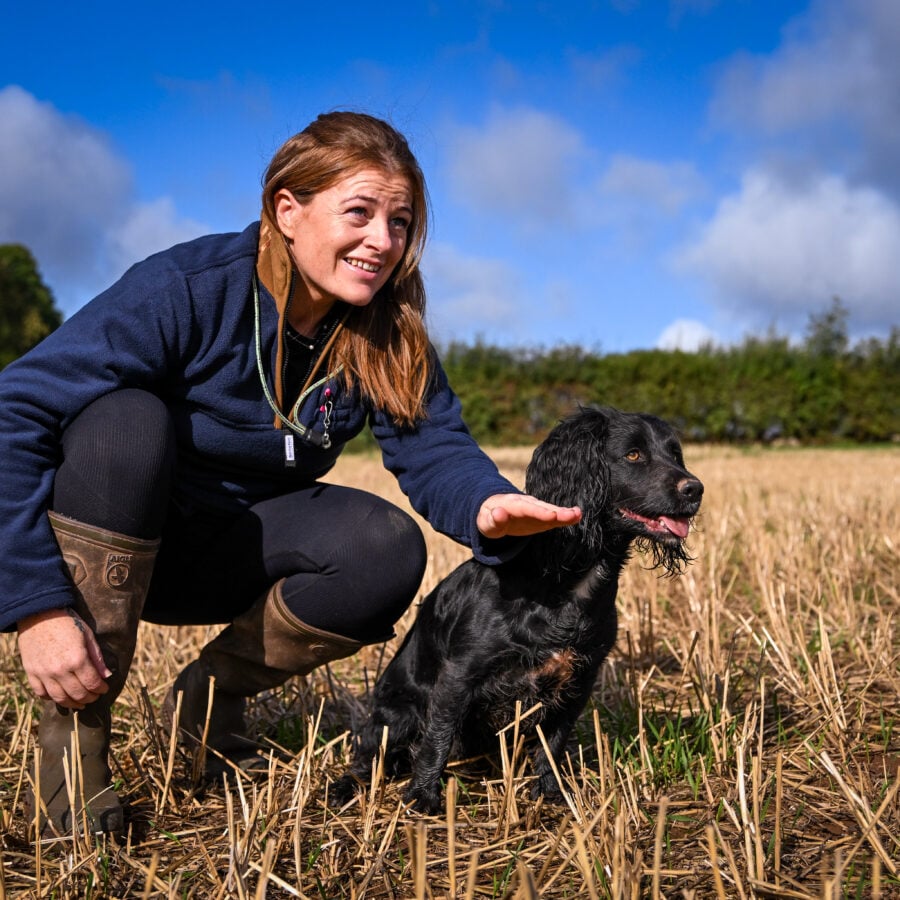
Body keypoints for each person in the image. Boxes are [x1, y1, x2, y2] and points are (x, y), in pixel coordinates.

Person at [0, 111, 581, 839]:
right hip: (115, 542)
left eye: (400, 222)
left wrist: (488, 502)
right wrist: (38, 606)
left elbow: (435, 446)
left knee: (384, 545)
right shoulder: (188, 286)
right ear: (287, 210)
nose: (383, 241)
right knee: (125, 421)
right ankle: (73, 748)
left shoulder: (386, 330)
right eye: (359, 213)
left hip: (232, 557)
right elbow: (14, 408)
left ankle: (206, 706)